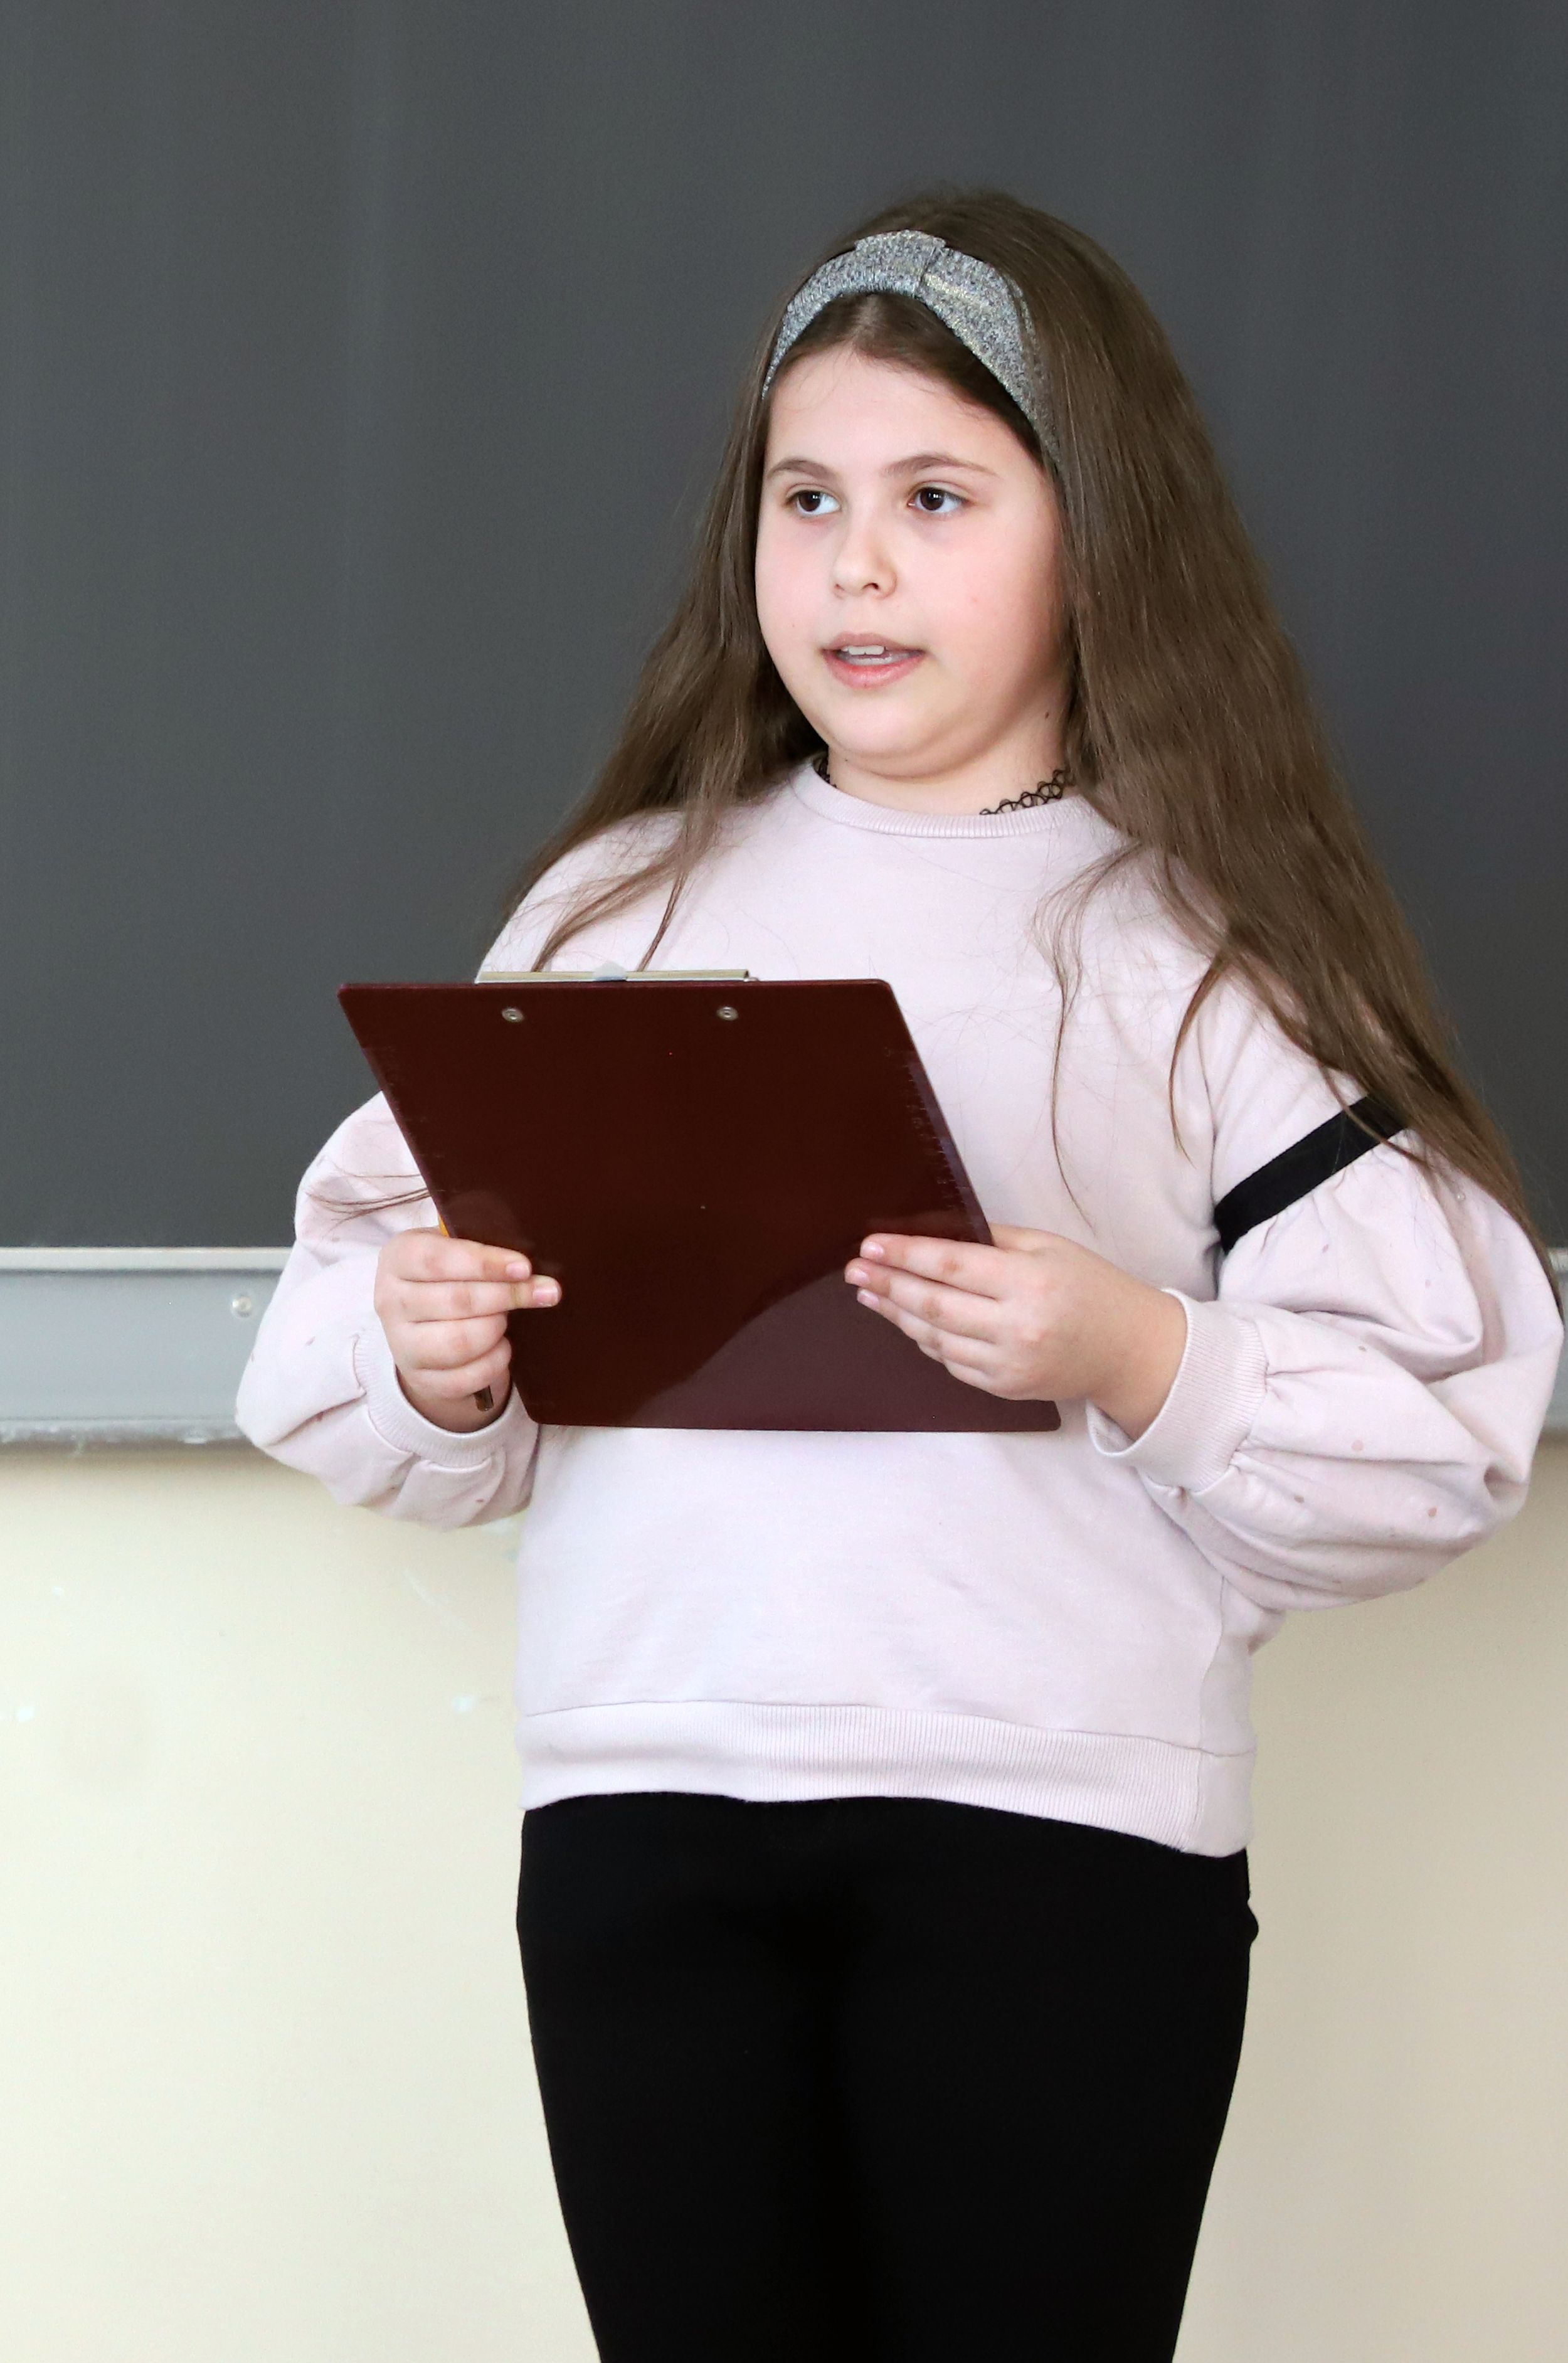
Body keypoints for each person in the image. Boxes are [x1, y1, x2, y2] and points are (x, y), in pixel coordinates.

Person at [236, 189, 1562, 2360]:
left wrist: (1130, 1349)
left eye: (936, 498)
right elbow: (346, 1322)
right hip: (646, 1808)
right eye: (808, 498)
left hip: (1058, 1831)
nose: (855, 564)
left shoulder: (1205, 946)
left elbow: (1442, 1430)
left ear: (1097, 540)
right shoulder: (619, 909)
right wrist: (432, 1355)